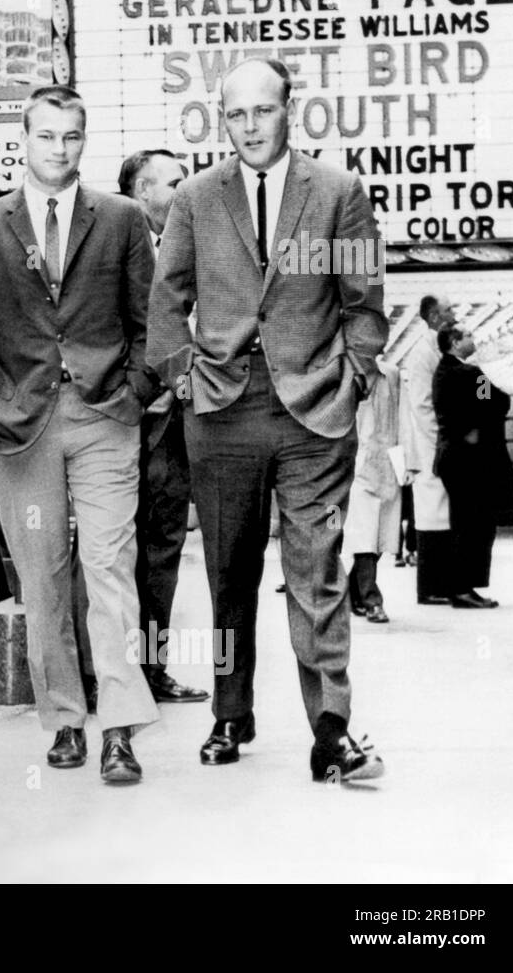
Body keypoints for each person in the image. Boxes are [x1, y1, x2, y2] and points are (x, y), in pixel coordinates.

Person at [147, 57, 388, 783]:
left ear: (292, 110)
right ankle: (230, 711)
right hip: (220, 411)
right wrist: (183, 375)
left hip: (315, 411)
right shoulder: (194, 197)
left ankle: (331, 729)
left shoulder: (339, 194)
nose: (251, 126)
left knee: (317, 573)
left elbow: (363, 300)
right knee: (228, 575)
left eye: (264, 111)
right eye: (237, 114)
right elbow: (167, 301)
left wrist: (356, 374)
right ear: (224, 119)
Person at [0, 85, 160, 783]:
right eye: (46, 135)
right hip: (20, 430)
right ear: (25, 137)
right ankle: (65, 718)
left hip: (104, 419)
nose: (58, 149)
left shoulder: (123, 219)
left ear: (84, 140)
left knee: (109, 572)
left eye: (71, 136)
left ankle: (121, 729)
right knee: (42, 579)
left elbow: (149, 326)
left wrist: (134, 394)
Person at [117, 149, 206, 702]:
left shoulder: (191, 248)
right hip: (119, 423)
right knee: (111, 552)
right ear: (141, 190)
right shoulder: (109, 243)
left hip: (174, 425)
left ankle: (151, 671)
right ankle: (109, 672)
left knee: (163, 550)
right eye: (175, 182)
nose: (186, 190)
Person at [432, 326, 513, 609]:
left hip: (453, 458)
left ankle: (462, 586)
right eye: (468, 336)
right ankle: (463, 588)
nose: (473, 339)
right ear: (455, 343)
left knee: (463, 522)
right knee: (474, 524)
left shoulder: (443, 373)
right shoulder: (469, 374)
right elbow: (499, 402)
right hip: (471, 462)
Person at [402, 294, 457, 603]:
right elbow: (423, 404)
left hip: (438, 442)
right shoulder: (423, 352)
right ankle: (430, 587)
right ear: (434, 316)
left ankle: (440, 584)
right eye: (449, 310)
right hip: (431, 443)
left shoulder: (438, 346)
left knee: (441, 512)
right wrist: (441, 439)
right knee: (432, 513)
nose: (454, 314)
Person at [345, 356, 402, 623]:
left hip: (388, 464)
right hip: (357, 466)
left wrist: (407, 464)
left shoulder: (391, 374)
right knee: (364, 536)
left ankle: (349, 592)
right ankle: (372, 600)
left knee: (381, 538)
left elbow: (404, 418)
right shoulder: (344, 374)